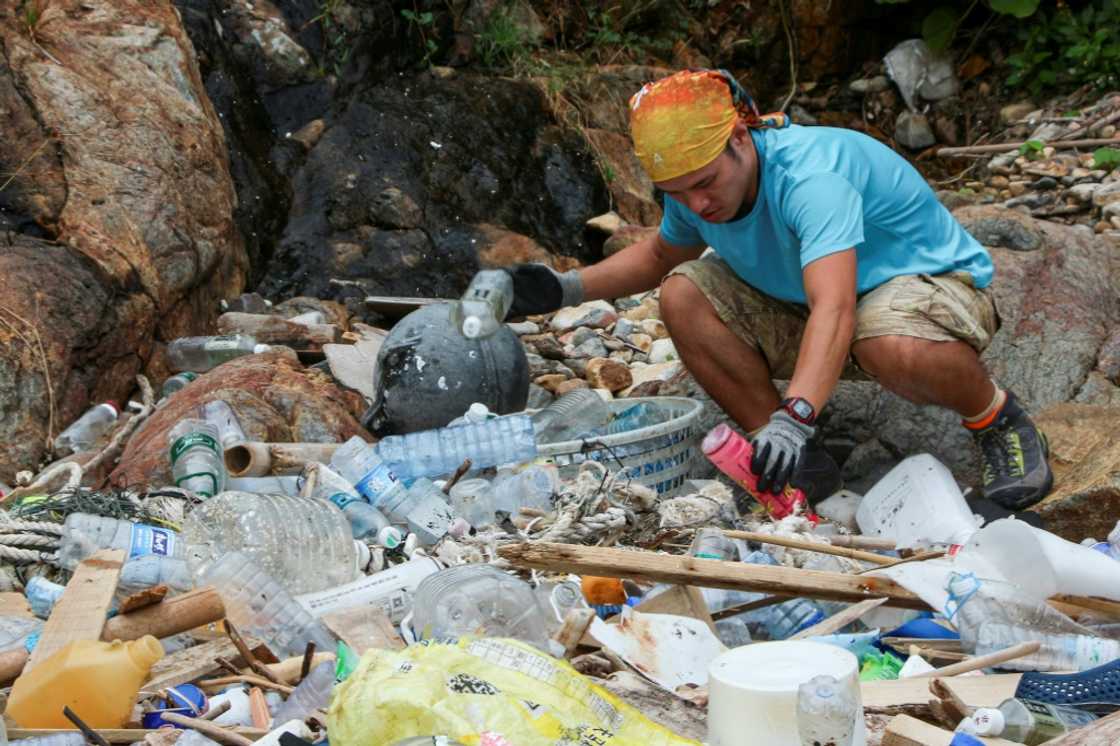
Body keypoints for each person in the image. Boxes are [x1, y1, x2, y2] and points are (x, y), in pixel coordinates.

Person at [502, 68, 1052, 511]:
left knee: (882, 341)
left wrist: (798, 413)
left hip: (923, 290)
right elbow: (659, 255)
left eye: (704, 184)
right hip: (813, 304)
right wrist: (562, 288)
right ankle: (798, 463)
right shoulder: (696, 181)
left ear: (740, 137)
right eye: (676, 192)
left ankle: (997, 419)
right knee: (682, 294)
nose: (697, 205)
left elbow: (835, 310)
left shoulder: (810, 180)